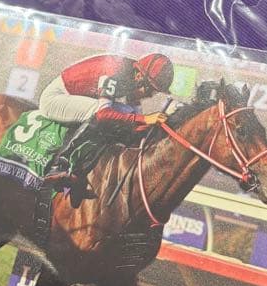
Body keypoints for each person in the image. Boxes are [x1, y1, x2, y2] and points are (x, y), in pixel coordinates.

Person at [37, 51, 174, 189]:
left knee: (128, 114)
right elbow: (103, 114)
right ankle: (60, 166)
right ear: (139, 77)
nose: (150, 96)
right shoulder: (115, 71)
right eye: (151, 90)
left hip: (78, 97)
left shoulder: (133, 76)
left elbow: (134, 115)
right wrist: (145, 118)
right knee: (97, 111)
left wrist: (148, 125)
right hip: (55, 98)